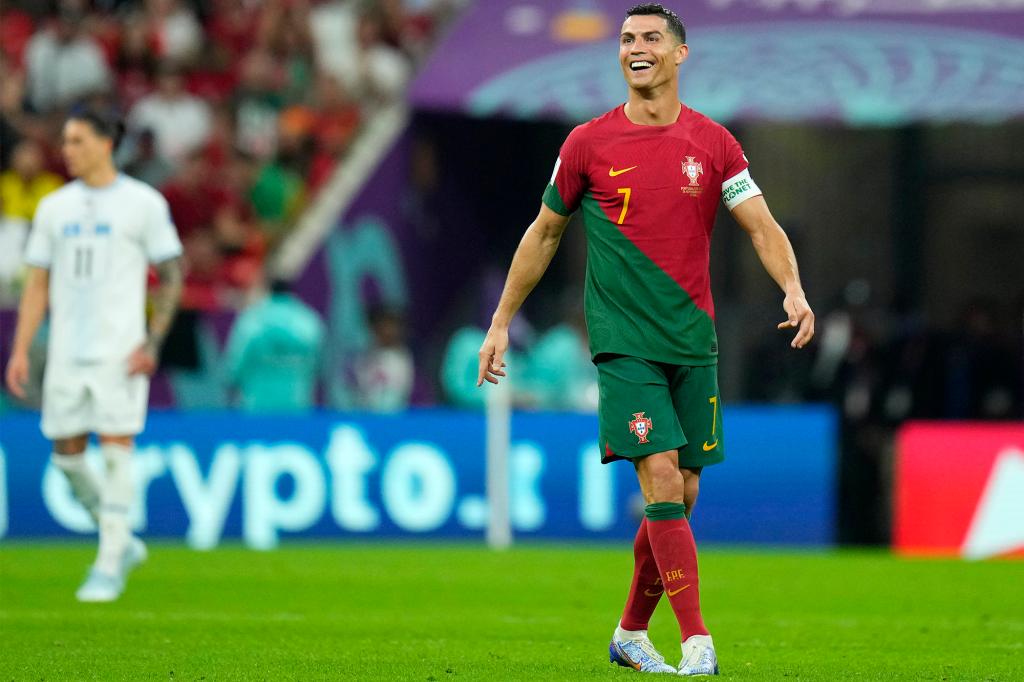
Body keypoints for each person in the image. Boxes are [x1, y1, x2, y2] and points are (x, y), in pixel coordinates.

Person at [476, 4, 814, 676]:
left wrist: (793, 288)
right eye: (627, 38)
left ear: (679, 54)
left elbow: (761, 225)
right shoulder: (586, 144)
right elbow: (544, 234)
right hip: (623, 342)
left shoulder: (715, 144)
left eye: (651, 38)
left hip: (692, 340)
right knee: (658, 476)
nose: (635, 47)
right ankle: (698, 643)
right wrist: (501, 321)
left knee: (682, 493)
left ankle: (631, 633)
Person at [5, 107, 184, 602]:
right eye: (65, 142)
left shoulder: (142, 204)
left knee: (116, 449)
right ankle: (121, 538)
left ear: (107, 143)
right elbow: (37, 283)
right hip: (66, 350)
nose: (67, 151)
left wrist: (151, 342)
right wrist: (20, 350)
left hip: (120, 350)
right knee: (66, 459)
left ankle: (107, 564)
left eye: (78, 141)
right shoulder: (54, 208)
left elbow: (171, 272)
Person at [224, 278, 324, 412]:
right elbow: (320, 364)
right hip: (297, 405)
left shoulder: (252, 319)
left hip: (257, 405)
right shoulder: (308, 321)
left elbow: (235, 362)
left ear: (269, 291)